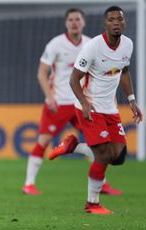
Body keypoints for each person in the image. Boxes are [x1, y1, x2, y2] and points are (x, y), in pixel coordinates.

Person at [51, 6, 143, 214]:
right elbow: (74, 79)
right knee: (102, 155)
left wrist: (132, 100)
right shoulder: (93, 47)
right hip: (90, 107)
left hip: (110, 109)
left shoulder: (127, 45)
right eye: (112, 20)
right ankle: (92, 203)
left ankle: (72, 146)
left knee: (118, 156)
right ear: (106, 24)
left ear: (124, 22)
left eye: (120, 19)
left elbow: (124, 71)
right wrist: (84, 103)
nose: (116, 22)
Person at [23, 9, 121, 196]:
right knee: (43, 141)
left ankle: (102, 184)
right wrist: (49, 97)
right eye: (70, 20)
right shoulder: (56, 44)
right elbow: (42, 73)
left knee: (99, 143)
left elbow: (100, 74)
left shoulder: (91, 44)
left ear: (83, 22)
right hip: (58, 103)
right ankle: (28, 184)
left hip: (82, 103)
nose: (74, 23)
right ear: (66, 23)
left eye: (77, 19)